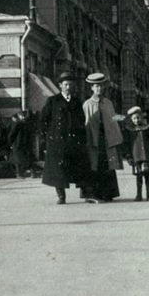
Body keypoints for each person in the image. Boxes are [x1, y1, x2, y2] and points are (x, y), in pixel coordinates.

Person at [39, 72, 91, 204]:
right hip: (58, 142)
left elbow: (81, 121)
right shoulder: (53, 101)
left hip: (74, 141)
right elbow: (43, 120)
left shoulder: (76, 101)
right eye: (66, 84)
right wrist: (48, 137)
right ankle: (61, 196)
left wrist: (82, 138)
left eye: (70, 85)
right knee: (59, 170)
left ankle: (85, 193)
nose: (68, 87)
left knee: (79, 167)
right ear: (60, 86)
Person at [81, 72, 124, 203]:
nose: (99, 88)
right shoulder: (87, 104)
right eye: (96, 86)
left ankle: (108, 193)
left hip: (106, 139)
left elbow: (112, 119)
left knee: (107, 166)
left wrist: (121, 122)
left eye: (101, 86)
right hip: (93, 139)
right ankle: (92, 194)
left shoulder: (108, 103)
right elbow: (86, 122)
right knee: (94, 165)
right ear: (91, 88)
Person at [123, 106, 149, 201]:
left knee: (147, 177)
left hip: (146, 156)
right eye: (134, 118)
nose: (136, 120)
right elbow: (126, 144)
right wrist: (128, 156)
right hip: (136, 157)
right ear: (131, 119)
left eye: (138, 118)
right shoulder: (129, 130)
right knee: (138, 177)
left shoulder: (146, 128)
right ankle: (139, 195)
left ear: (141, 118)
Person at [8, 111, 34, 178]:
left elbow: (29, 135)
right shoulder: (17, 124)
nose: (23, 117)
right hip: (17, 144)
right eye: (22, 116)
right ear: (19, 116)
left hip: (23, 144)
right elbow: (12, 135)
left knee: (24, 159)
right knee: (18, 160)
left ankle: (24, 173)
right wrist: (10, 143)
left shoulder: (26, 124)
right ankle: (19, 174)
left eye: (24, 116)